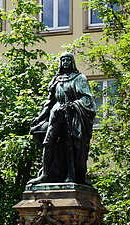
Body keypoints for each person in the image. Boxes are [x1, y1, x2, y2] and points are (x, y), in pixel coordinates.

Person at [29, 52, 96, 186]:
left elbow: (87, 98)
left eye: (68, 60)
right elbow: (49, 102)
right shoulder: (56, 79)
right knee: (48, 143)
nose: (65, 62)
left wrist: (75, 105)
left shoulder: (79, 78)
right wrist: (39, 118)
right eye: (63, 60)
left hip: (71, 115)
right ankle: (45, 175)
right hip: (56, 113)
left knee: (69, 145)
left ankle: (71, 175)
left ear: (72, 62)